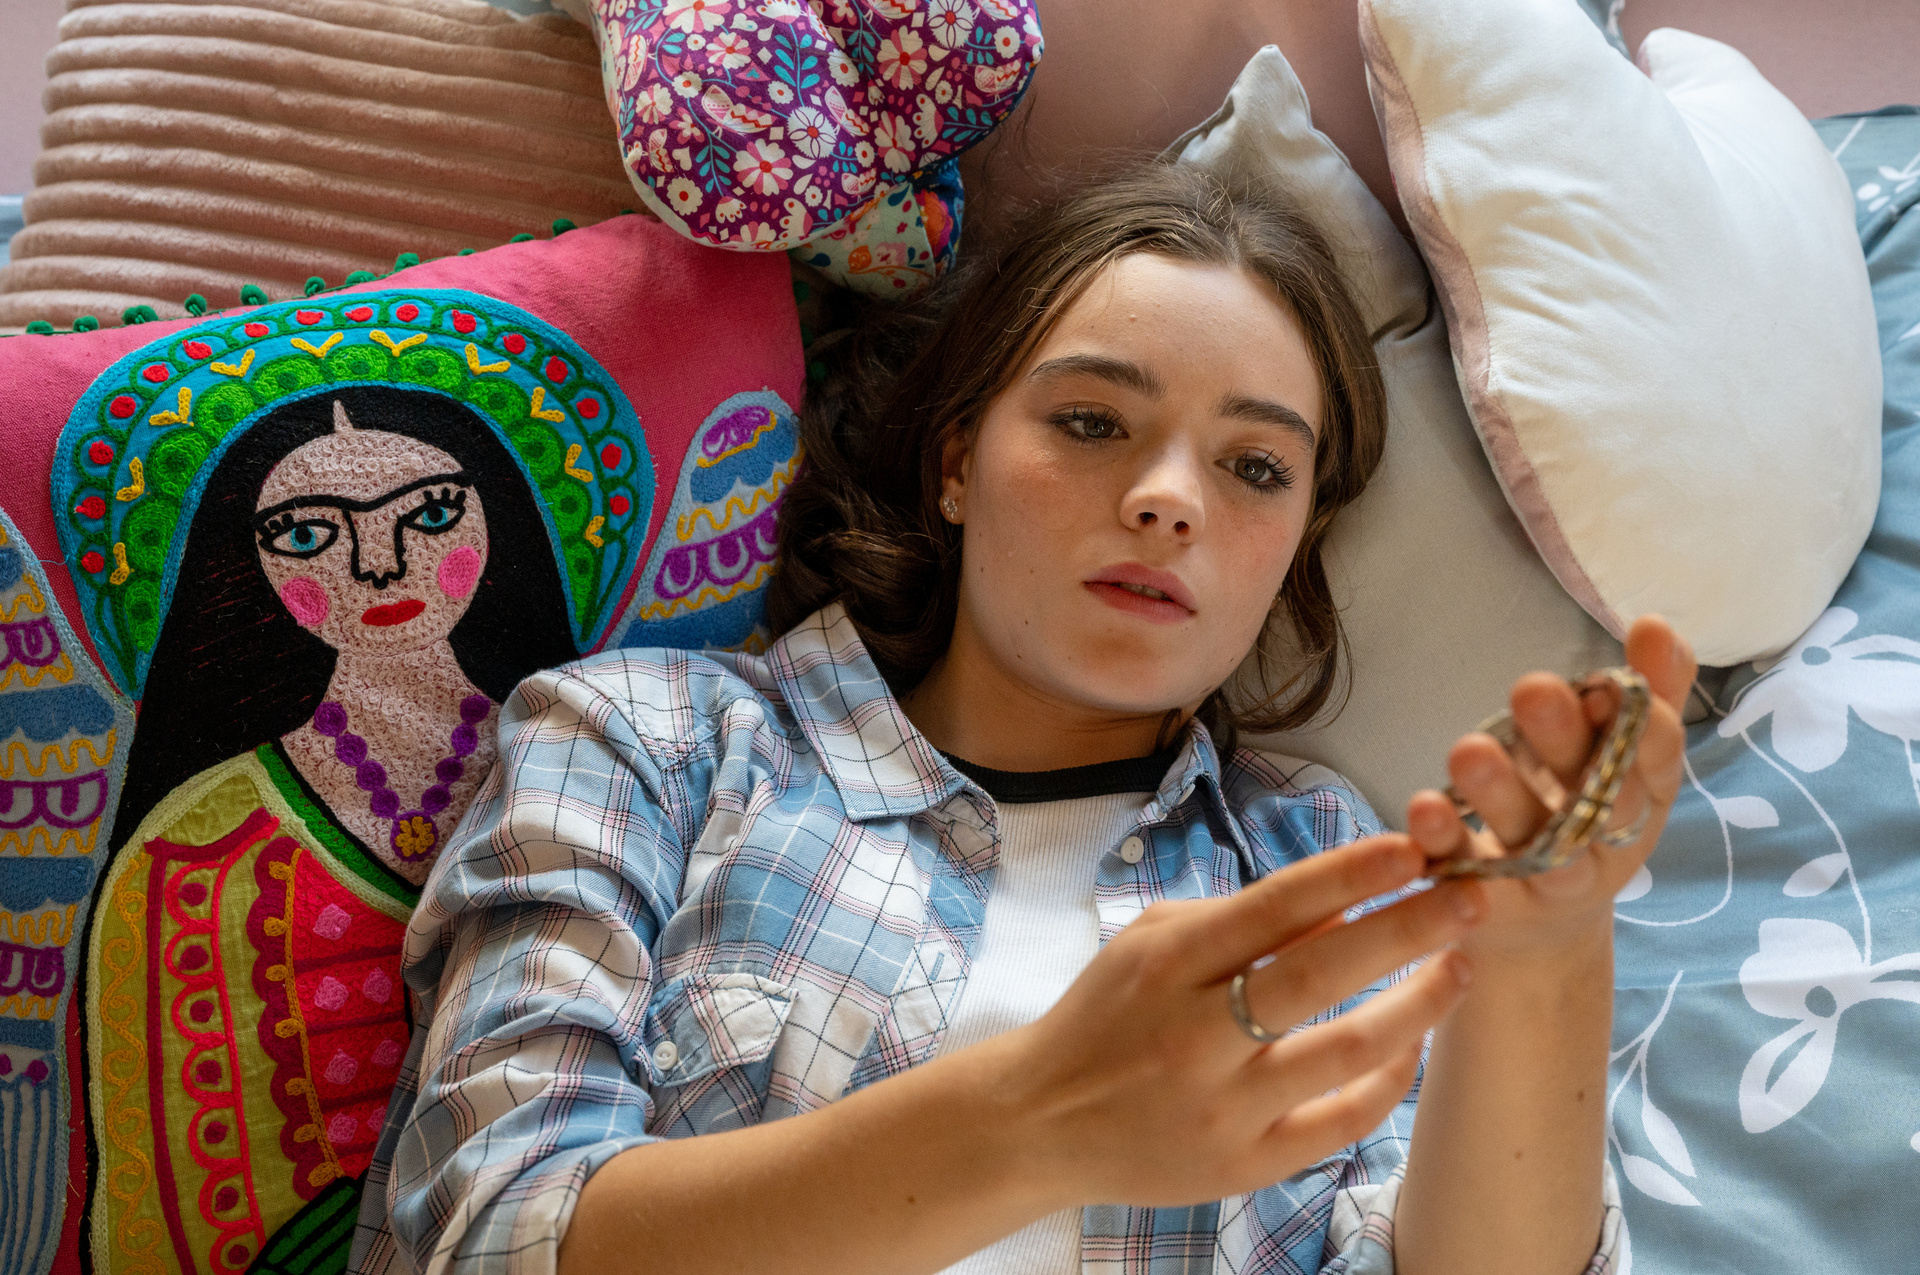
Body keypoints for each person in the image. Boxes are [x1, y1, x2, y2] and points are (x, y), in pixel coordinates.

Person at [352, 164, 1694, 1275]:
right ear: (957, 460)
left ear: (1299, 540)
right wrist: (1036, 1119)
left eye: (1254, 465)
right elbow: (495, 1234)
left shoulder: (1328, 862)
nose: (1171, 499)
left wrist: (1550, 949)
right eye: (1095, 422)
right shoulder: (646, 743)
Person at [89, 384, 578, 1274]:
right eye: (310, 534)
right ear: (246, 565)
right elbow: (166, 1206)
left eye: (431, 514)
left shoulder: (608, 759)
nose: (380, 564)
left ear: (497, 524)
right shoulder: (191, 854)